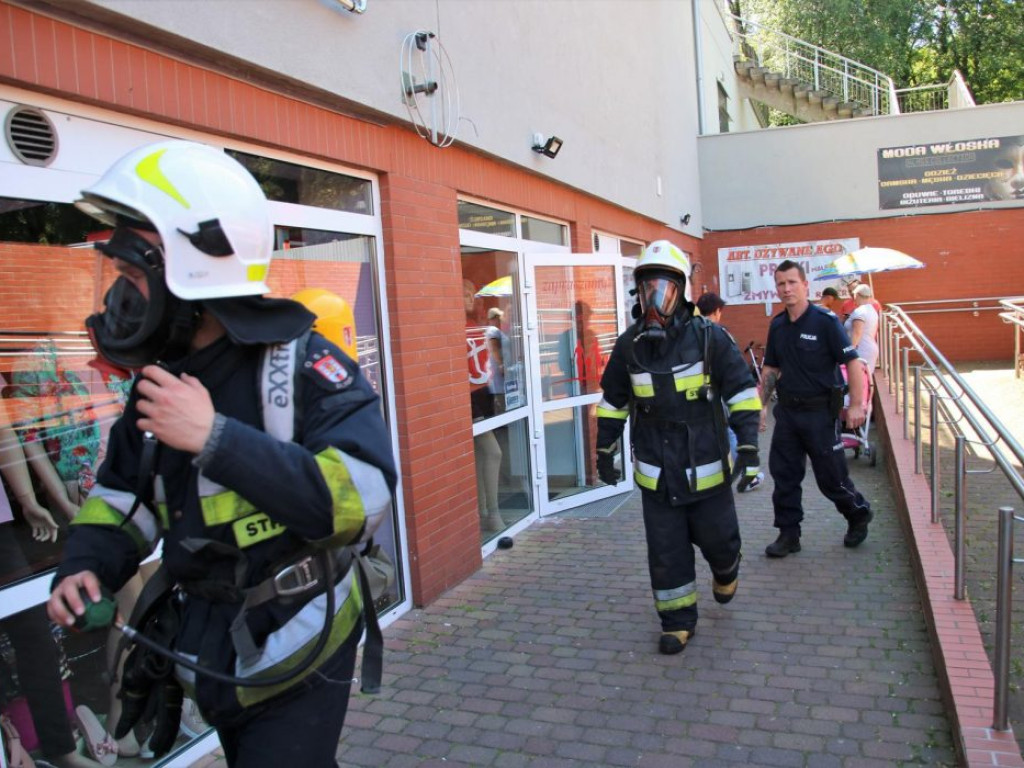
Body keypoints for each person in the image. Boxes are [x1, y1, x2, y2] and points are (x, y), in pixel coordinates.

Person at [45, 140, 397, 768]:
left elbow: (364, 500)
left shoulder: (304, 366)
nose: (117, 299)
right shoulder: (164, 379)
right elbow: (124, 495)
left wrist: (217, 440)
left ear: (189, 275)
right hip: (210, 644)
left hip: (300, 636)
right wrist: (87, 563)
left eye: (130, 278)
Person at [595, 241, 762, 655]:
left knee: (719, 541)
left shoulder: (711, 339)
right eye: (647, 288)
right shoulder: (629, 345)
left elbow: (742, 393)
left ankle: (726, 570)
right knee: (666, 552)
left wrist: (750, 449)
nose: (655, 299)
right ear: (637, 291)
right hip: (656, 470)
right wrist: (604, 449)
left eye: (664, 289)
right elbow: (614, 400)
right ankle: (677, 621)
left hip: (706, 468)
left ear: (681, 291)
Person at [759, 260, 872, 558]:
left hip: (820, 415)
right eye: (781, 283)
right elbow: (771, 367)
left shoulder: (825, 321)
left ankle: (857, 513)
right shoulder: (778, 325)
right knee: (784, 475)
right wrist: (759, 406)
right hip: (787, 414)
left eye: (792, 282)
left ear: (805, 285)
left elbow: (853, 362)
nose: (786, 289)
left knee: (831, 478)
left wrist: (857, 405)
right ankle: (788, 534)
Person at [695, 292, 763, 493]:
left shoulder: (691, 332)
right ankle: (741, 471)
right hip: (721, 393)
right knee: (730, 431)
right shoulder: (719, 333)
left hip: (699, 396)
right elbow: (736, 373)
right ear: (717, 312)